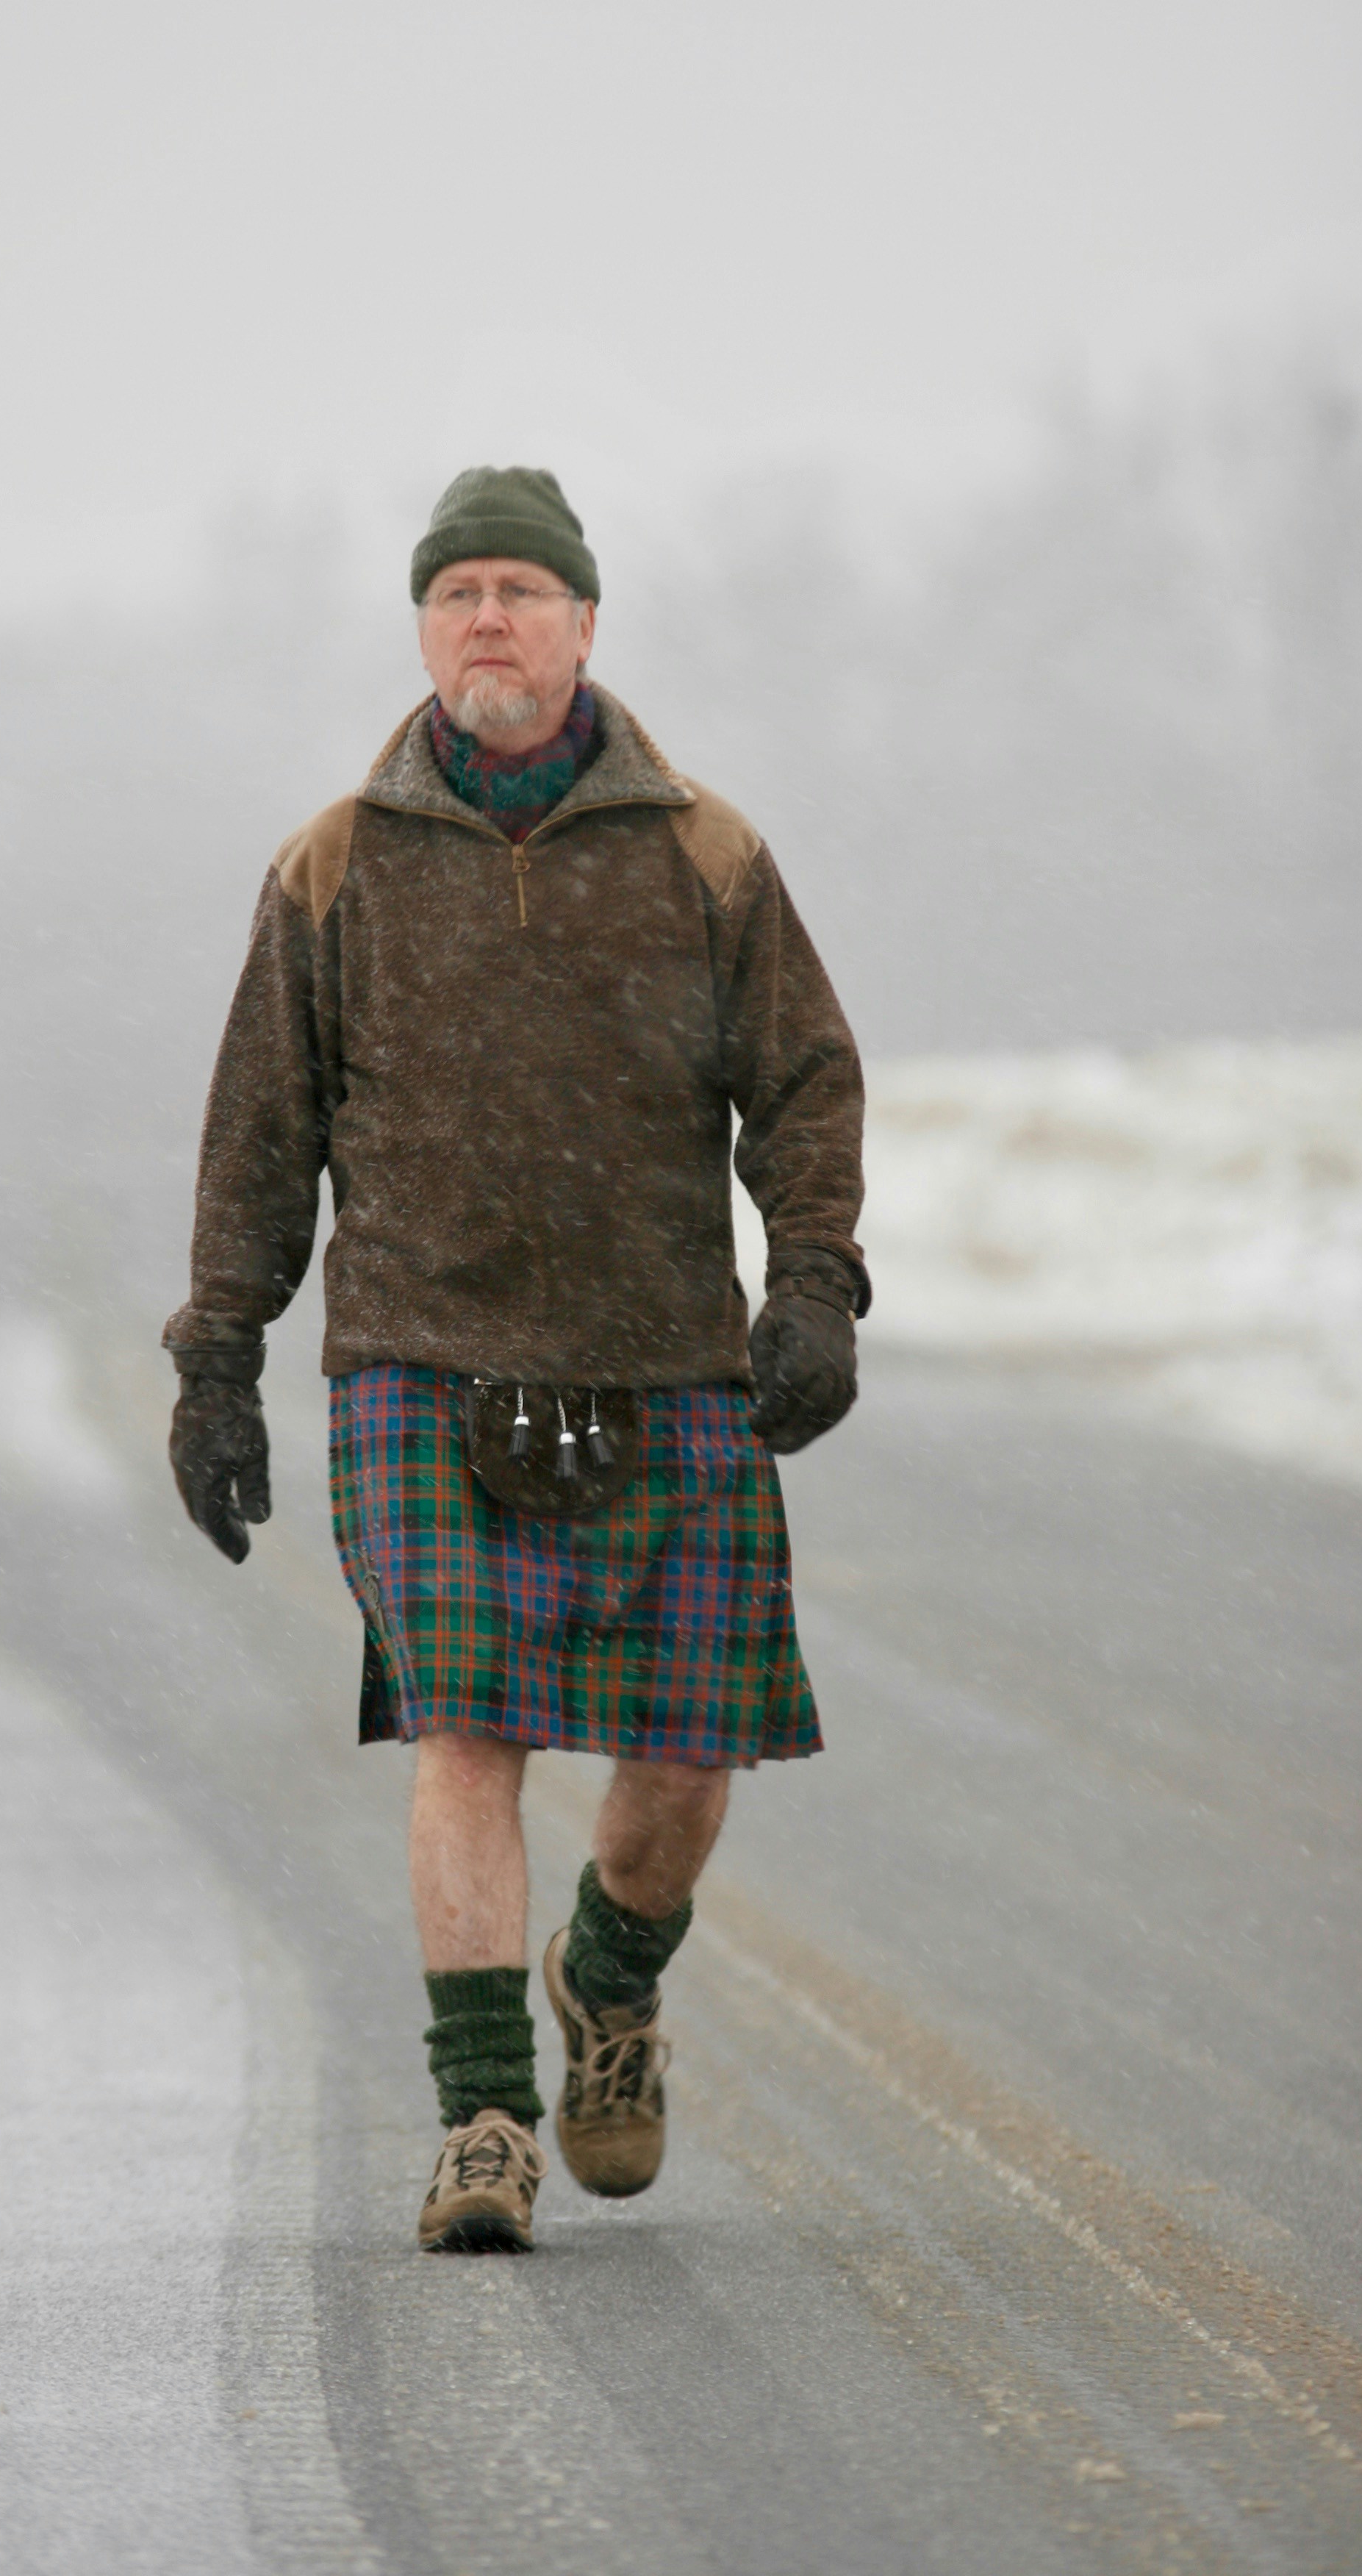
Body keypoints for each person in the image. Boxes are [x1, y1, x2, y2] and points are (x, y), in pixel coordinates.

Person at [164, 465, 868, 2252]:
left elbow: (801, 1089)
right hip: (422, 1359)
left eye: (521, 590)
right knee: (465, 1732)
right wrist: (219, 1357)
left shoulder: (704, 852)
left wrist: (811, 1283)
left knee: (684, 1767)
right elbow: (262, 1132)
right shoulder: (334, 864)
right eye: (458, 588)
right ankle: (482, 2121)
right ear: (423, 625)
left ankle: (608, 1977)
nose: (489, 616)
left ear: (583, 623)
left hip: (663, 1362)